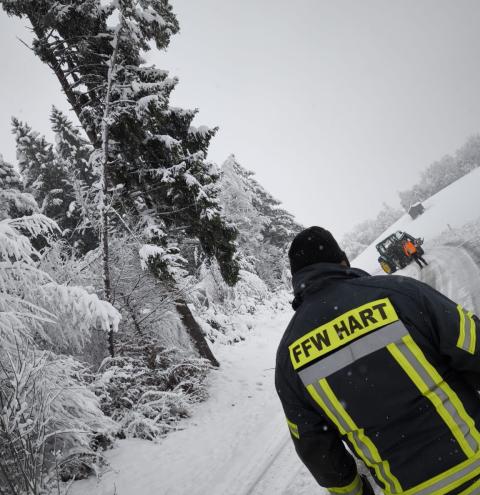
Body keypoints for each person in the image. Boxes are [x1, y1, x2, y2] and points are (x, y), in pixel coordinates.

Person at [275, 226, 480, 495]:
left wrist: (355, 491)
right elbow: (473, 346)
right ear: (343, 261)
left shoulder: (289, 357)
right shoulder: (402, 294)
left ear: (296, 279)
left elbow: (318, 451)